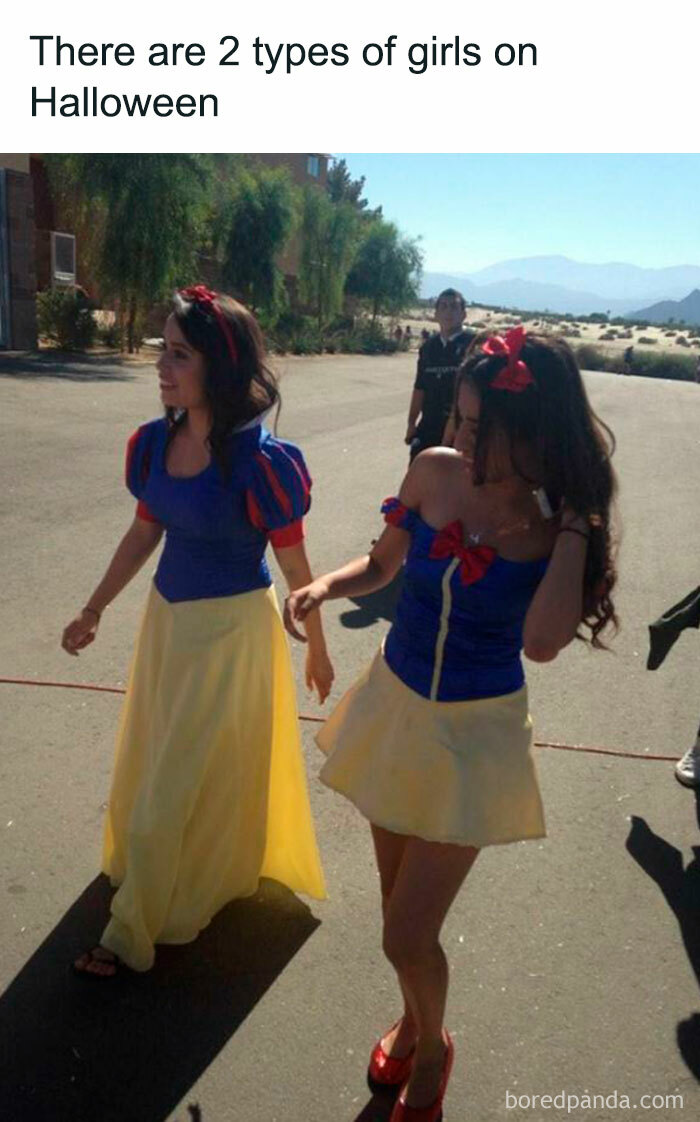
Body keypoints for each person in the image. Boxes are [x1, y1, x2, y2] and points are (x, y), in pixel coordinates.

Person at [285, 327, 618, 1122]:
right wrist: (324, 586)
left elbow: (540, 644)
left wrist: (577, 523)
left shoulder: (554, 527)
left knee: (405, 933)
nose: (459, 439)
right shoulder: (434, 472)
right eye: (458, 421)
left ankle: (433, 1048)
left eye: (478, 428)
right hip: (394, 710)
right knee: (396, 907)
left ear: (532, 433)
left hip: (475, 737)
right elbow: (385, 563)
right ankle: (415, 1019)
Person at [62, 284, 332, 977]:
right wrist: (93, 609)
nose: (161, 364)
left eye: (178, 354)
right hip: (166, 627)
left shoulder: (260, 462)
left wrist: (320, 646)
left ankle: (130, 934)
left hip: (231, 638)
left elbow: (296, 564)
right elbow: (142, 533)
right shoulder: (156, 443)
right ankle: (188, 878)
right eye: (163, 348)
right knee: (162, 765)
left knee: (177, 777)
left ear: (219, 364)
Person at [405, 290, 475, 462]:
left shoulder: (473, 345)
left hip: (460, 429)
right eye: (443, 306)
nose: (448, 312)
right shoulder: (428, 347)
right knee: (418, 475)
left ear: (463, 314)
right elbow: (419, 387)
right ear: (436, 314)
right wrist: (411, 423)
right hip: (429, 425)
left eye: (454, 307)